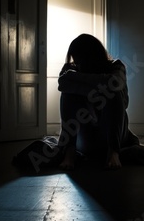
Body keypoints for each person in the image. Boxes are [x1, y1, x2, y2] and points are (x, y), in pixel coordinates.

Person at [57, 33, 139, 170]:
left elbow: (115, 83)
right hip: (86, 137)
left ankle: (114, 153)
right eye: (76, 62)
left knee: (113, 92)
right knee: (68, 94)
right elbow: (62, 84)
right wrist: (98, 87)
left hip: (114, 136)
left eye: (80, 61)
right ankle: (70, 152)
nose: (78, 65)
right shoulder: (70, 69)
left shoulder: (116, 66)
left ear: (92, 57)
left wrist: (78, 80)